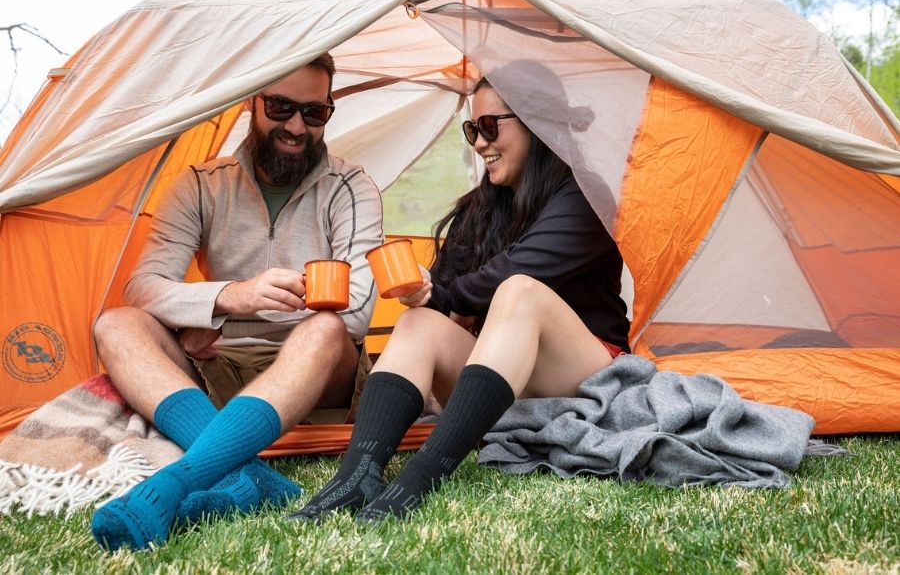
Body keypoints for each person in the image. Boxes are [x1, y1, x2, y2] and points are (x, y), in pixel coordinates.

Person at [291, 61, 630, 523]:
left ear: (538, 124)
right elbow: (444, 295)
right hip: (502, 383)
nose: (480, 143)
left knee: (520, 291)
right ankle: (356, 475)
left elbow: (516, 272)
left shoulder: (586, 196)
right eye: (472, 129)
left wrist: (446, 298)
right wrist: (426, 296)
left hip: (585, 374)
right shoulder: (481, 206)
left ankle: (421, 476)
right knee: (417, 322)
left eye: (490, 126)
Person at [90, 53, 384, 550]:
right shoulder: (200, 185)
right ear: (252, 100)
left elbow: (356, 311)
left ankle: (177, 483)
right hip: (219, 360)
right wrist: (230, 297)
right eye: (281, 106)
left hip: (317, 368)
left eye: (315, 113)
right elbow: (142, 286)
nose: (296, 126)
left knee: (328, 328)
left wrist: (224, 314)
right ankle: (247, 474)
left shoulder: (350, 187)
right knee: (116, 323)